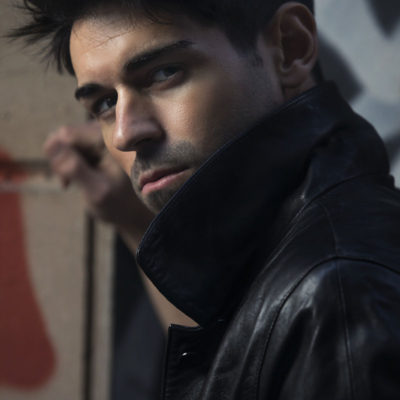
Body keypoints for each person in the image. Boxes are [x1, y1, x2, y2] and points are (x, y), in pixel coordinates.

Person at [11, 0, 400, 398]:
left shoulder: (342, 294)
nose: (125, 134)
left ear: (290, 47)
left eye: (164, 73)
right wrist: (136, 224)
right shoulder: (292, 252)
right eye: (105, 103)